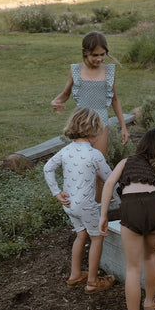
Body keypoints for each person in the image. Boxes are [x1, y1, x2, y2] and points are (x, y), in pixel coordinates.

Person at [99, 129, 155, 310]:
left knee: (133, 268)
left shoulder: (126, 162)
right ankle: (150, 306)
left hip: (132, 208)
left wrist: (103, 215)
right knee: (151, 256)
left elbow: (109, 184)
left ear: (142, 145)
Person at [43, 107, 117, 294]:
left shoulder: (66, 150)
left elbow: (47, 168)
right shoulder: (94, 155)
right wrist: (122, 199)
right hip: (86, 206)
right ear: (95, 130)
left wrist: (56, 192)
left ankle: (75, 275)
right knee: (97, 237)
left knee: (80, 235)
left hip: (68, 205)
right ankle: (92, 282)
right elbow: (110, 179)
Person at [51, 31, 129, 202]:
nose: (100, 59)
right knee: (80, 170)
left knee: (98, 173)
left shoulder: (109, 71)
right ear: (85, 52)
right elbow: (65, 94)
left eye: (103, 55)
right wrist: (57, 101)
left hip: (101, 125)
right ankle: (79, 207)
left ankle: (97, 210)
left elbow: (115, 99)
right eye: (95, 55)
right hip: (81, 125)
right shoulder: (76, 70)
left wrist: (123, 126)